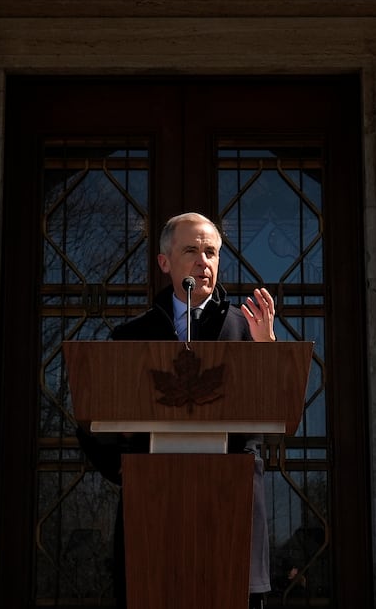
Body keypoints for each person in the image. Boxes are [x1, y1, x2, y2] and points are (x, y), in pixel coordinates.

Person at [80, 211, 278, 609]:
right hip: (152, 511)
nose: (203, 262)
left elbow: (279, 412)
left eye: (212, 252)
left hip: (231, 507)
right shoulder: (131, 337)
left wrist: (268, 350)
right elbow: (91, 419)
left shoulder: (248, 331)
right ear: (165, 262)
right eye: (191, 250)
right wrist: (125, 469)